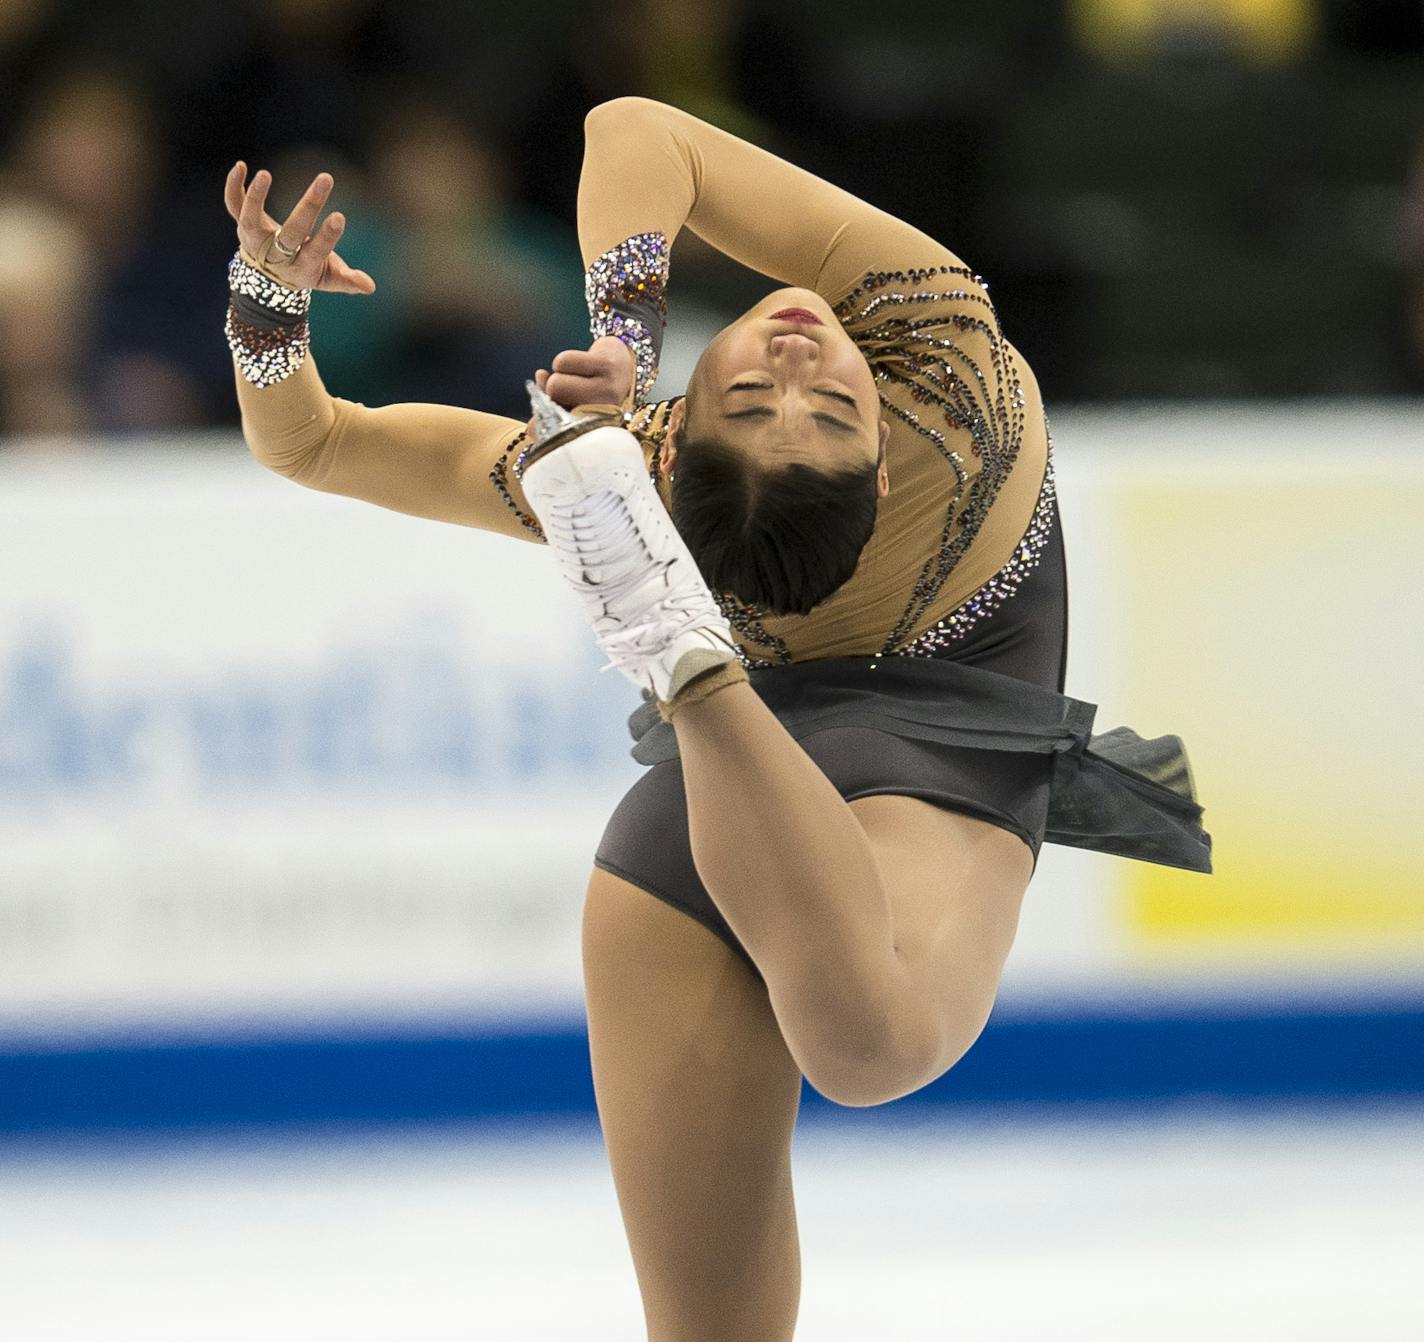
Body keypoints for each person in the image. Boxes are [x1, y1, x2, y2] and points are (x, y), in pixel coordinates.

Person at [224, 96, 1211, 1342]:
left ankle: (686, 660)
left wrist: (269, 309)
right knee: (871, 1052)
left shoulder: (606, 466)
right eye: (796, 403)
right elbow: (645, 129)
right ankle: (686, 661)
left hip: (725, 808)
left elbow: (310, 441)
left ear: (678, 439)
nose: (797, 365)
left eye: (775, 404)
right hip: (918, 765)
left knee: (792, 1181)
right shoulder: (947, 369)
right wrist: (623, 353)